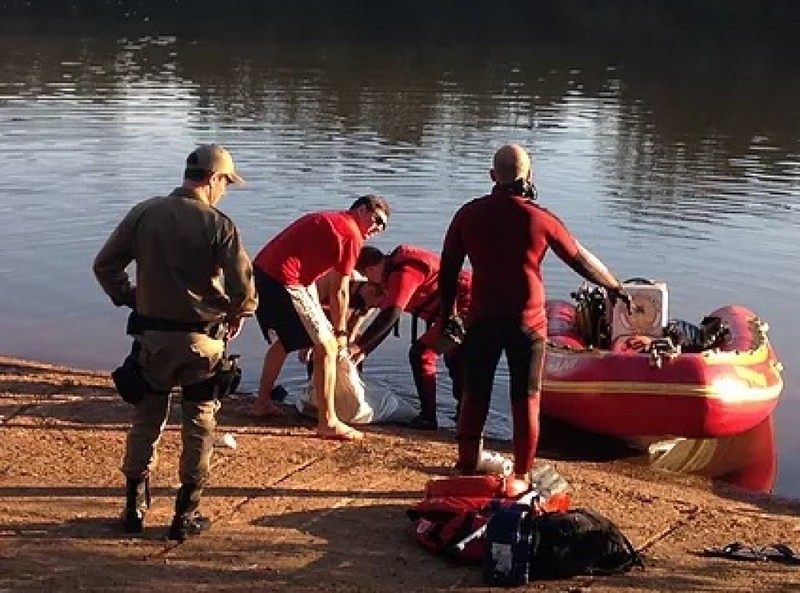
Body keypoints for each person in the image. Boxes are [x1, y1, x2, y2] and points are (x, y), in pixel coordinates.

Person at [439, 143, 630, 494]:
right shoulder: (540, 218)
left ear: (492, 176)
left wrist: (447, 316)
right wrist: (613, 286)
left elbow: (448, 269)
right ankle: (522, 476)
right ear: (530, 176)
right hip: (527, 323)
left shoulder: (468, 214)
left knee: (475, 393)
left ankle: (466, 467)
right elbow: (579, 260)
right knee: (525, 399)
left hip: (482, 319)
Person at [93, 144, 258, 540]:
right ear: (215, 179)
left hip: (152, 340)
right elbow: (245, 292)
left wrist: (130, 296)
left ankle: (134, 509)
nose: (225, 191)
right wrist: (236, 314)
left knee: (147, 417)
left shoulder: (144, 213)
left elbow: (105, 266)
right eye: (226, 184)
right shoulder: (220, 225)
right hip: (204, 341)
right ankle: (184, 516)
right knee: (200, 419)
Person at [250, 195, 390, 441]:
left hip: (262, 273)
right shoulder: (351, 233)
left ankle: (262, 402)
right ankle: (328, 422)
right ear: (360, 210)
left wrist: (319, 321)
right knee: (326, 346)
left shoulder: (332, 221)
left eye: (382, 227)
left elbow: (313, 276)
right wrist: (340, 333)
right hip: (283, 278)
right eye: (376, 219)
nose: (377, 228)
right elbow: (340, 291)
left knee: (286, 340)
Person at [350, 244, 471, 430]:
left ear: (370, 269)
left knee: (422, 354)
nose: (368, 282)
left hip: (467, 309)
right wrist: (363, 348)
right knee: (455, 358)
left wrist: (361, 347)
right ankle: (465, 416)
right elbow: (385, 318)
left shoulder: (405, 272)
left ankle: (428, 418)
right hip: (460, 310)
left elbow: (391, 314)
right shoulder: (390, 275)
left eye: (366, 277)